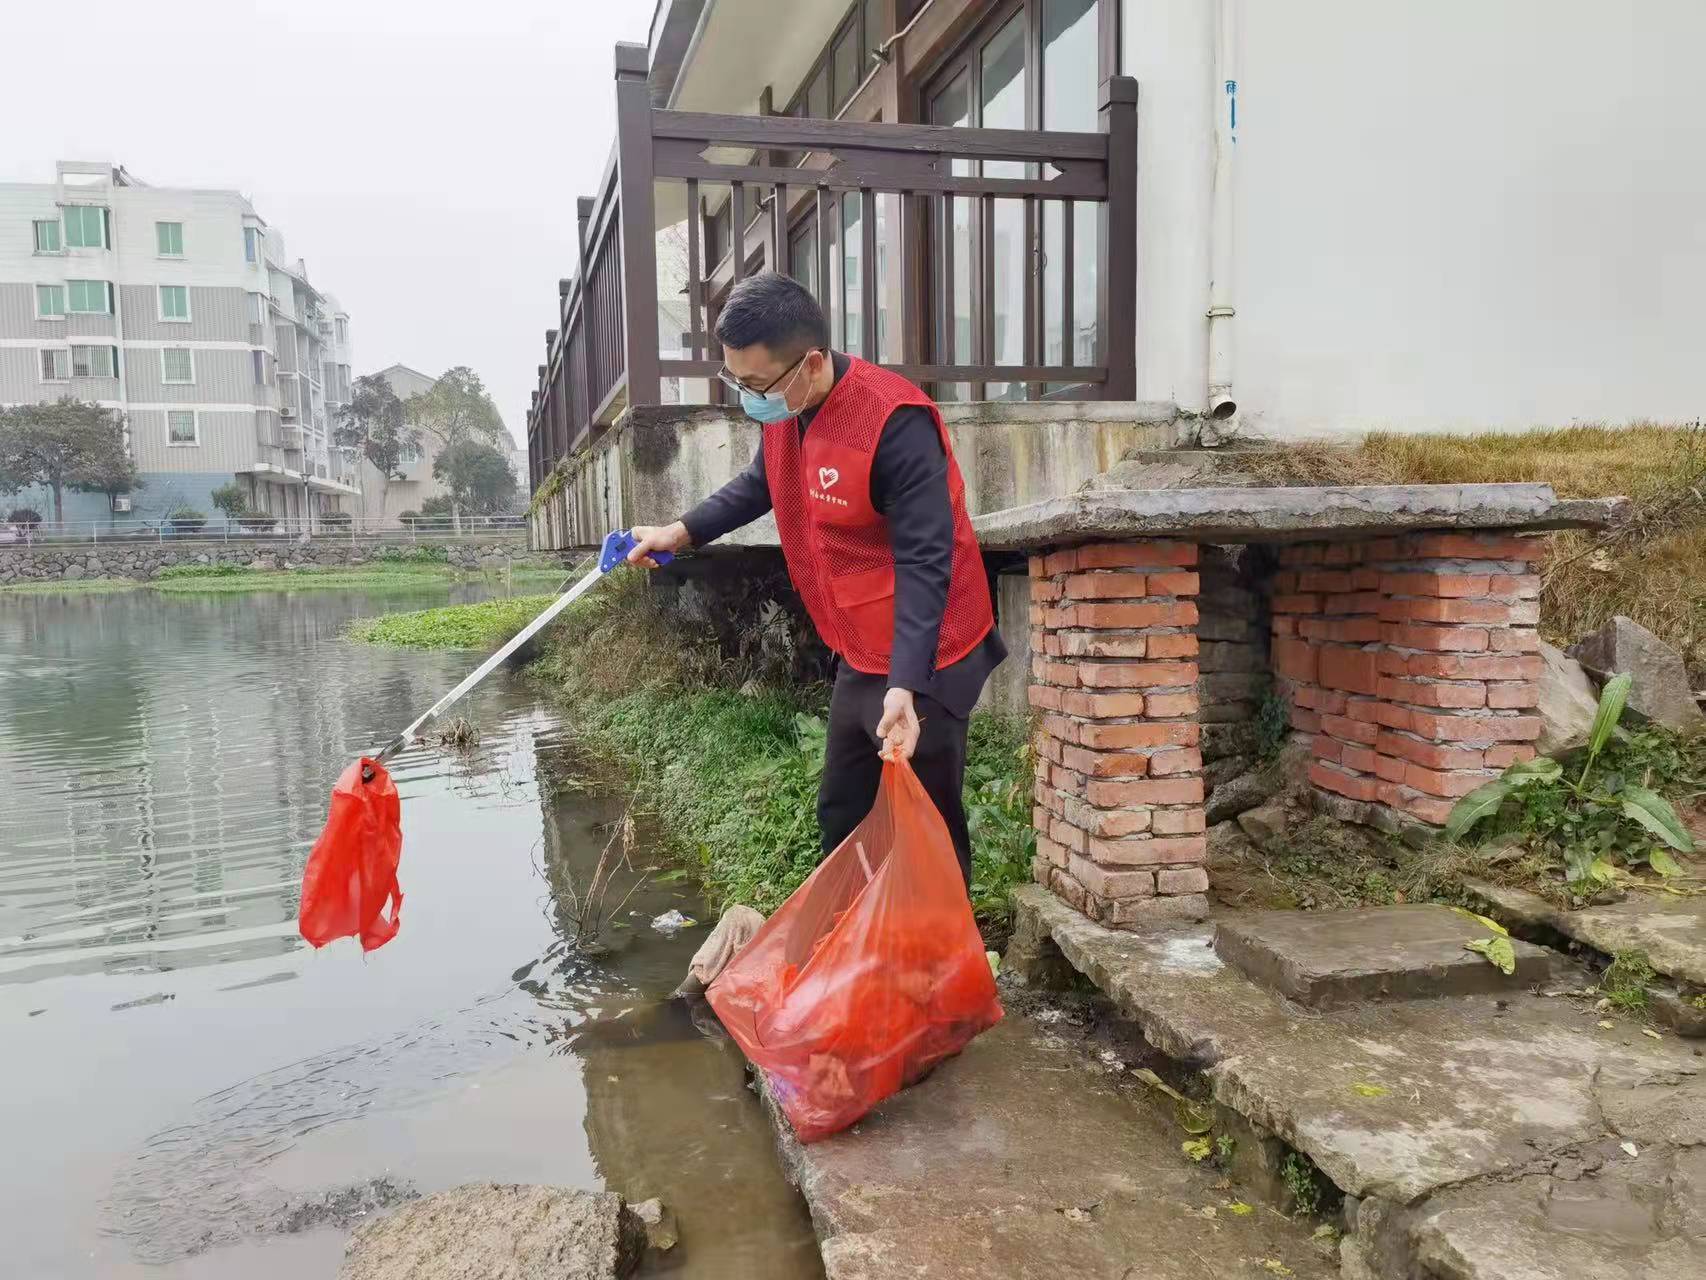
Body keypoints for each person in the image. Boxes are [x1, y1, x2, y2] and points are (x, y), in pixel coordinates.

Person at [627, 272, 1006, 888]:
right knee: (843, 807)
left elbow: (926, 561)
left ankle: (944, 958)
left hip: (930, 645)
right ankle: (848, 942)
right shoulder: (788, 405)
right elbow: (761, 483)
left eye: (754, 384)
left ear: (809, 361)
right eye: (736, 382)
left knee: (928, 816)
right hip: (859, 641)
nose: (749, 398)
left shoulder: (895, 422)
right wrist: (682, 530)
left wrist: (907, 685)